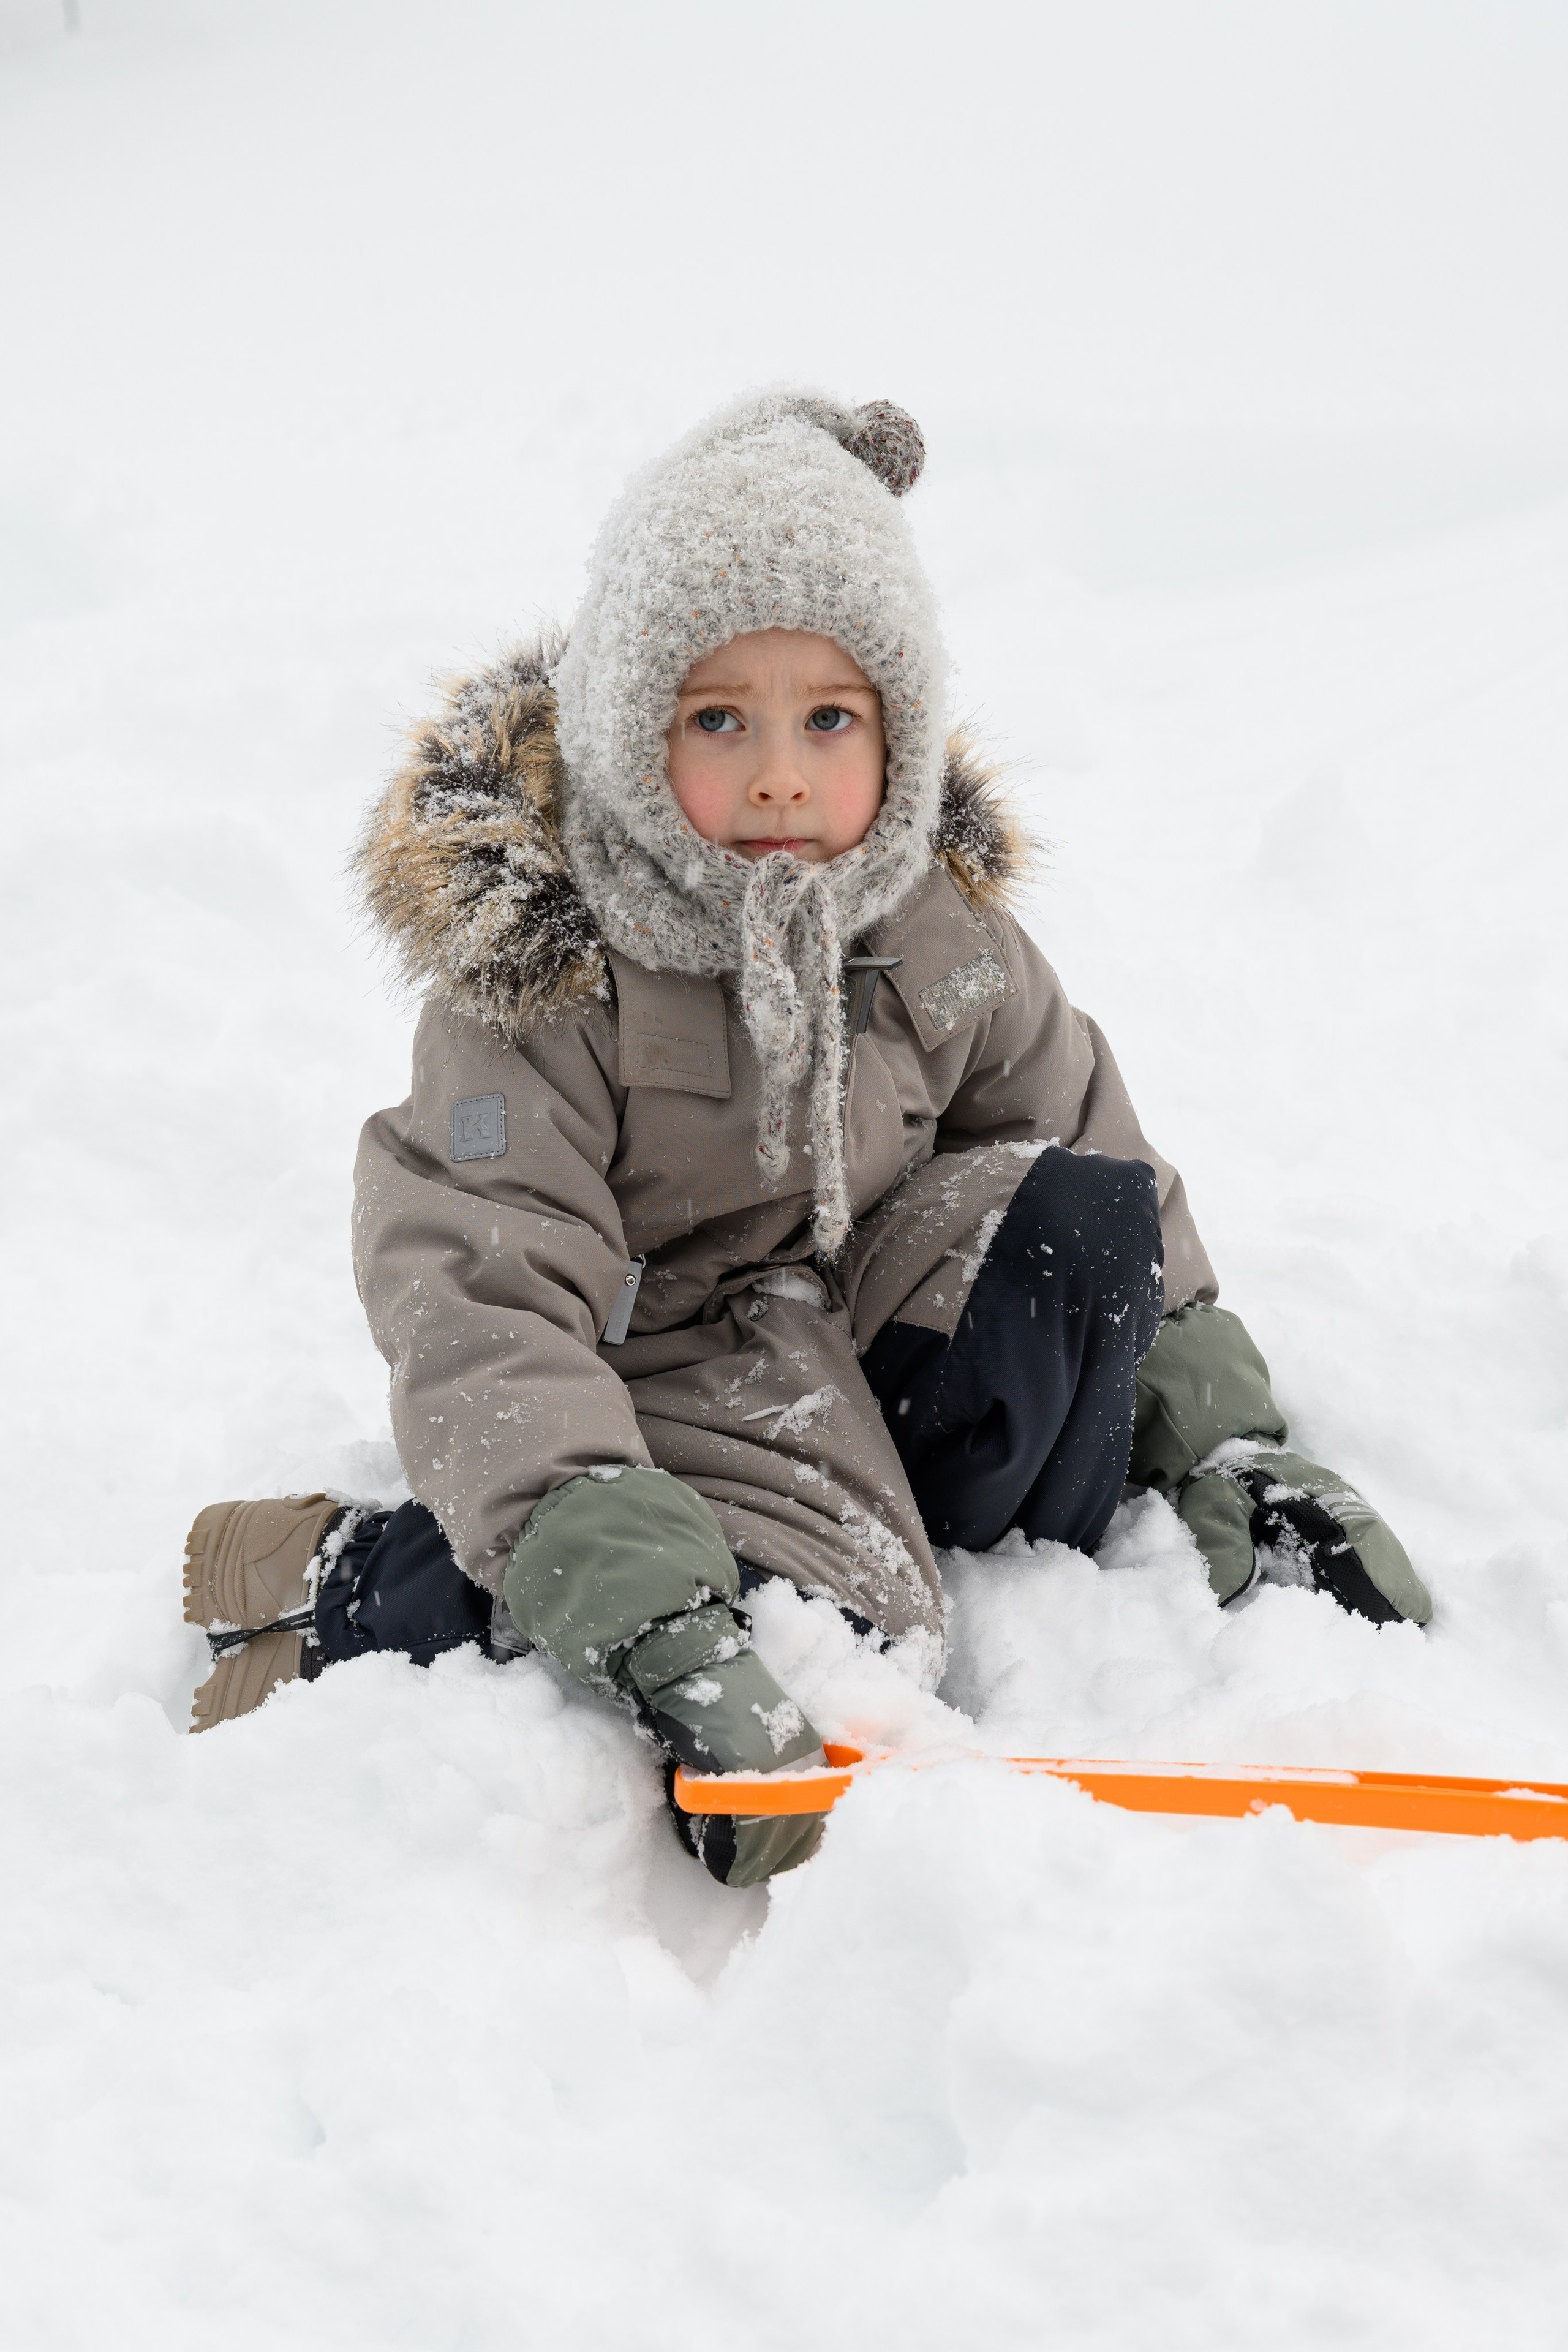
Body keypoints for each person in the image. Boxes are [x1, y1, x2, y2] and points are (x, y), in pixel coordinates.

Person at [181, 393, 1430, 1887]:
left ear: (894, 733)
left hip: (860, 1320)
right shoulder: (553, 973)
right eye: (720, 720)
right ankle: (368, 1583)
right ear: (632, 731)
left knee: (1080, 1225)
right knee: (820, 1635)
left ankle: (971, 1527)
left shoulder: (929, 921)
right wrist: (638, 1592)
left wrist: (1218, 1434)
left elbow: (1073, 1132)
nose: (780, 772)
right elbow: (481, 1290)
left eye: (826, 719)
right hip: (659, 1376)